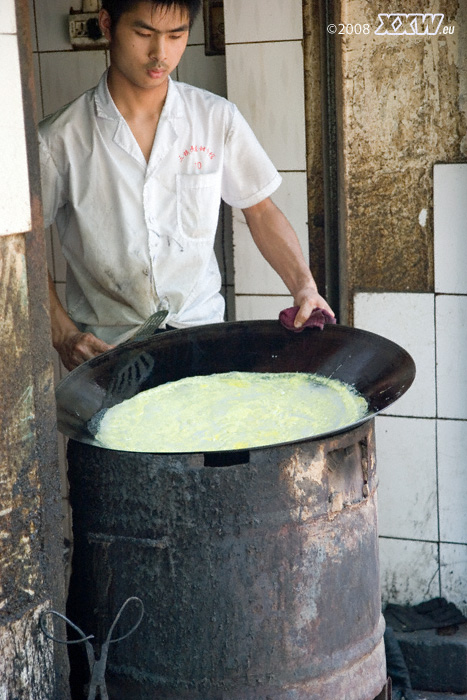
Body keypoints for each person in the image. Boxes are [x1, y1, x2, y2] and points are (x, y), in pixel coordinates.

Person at [40, 0, 334, 372]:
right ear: (107, 24)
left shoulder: (215, 118)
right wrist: (64, 334)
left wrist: (304, 286)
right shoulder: (59, 139)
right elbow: (19, 248)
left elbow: (260, 211)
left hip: (203, 338)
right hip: (109, 353)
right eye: (144, 34)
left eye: (176, 35)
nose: (159, 54)